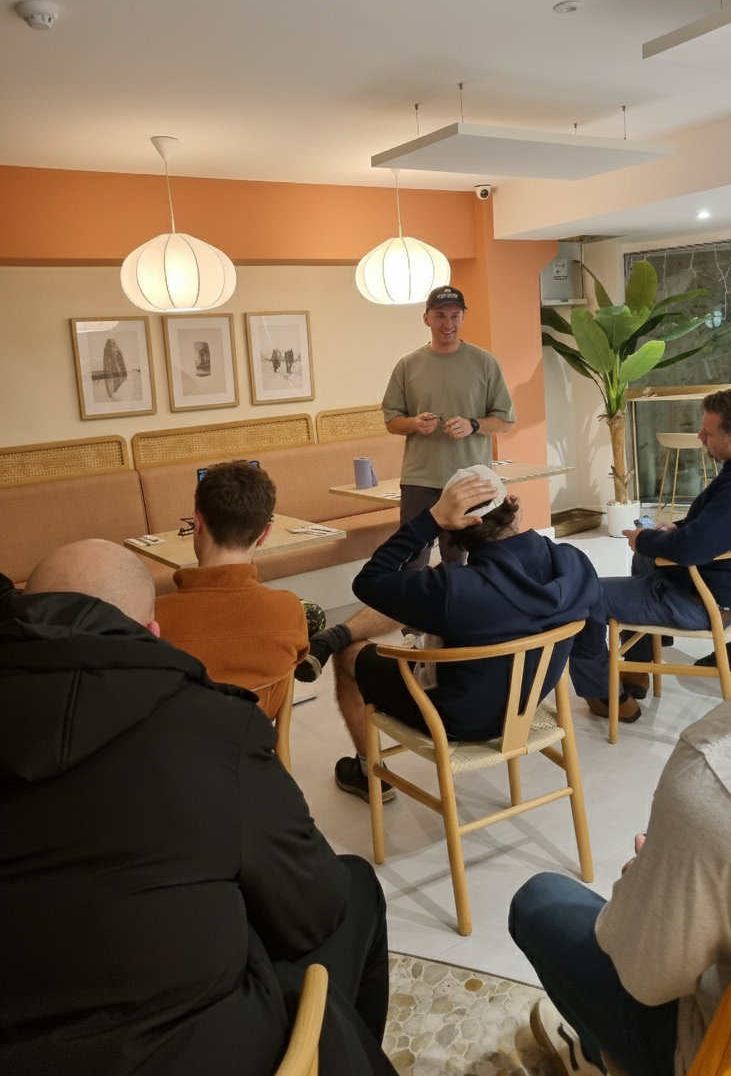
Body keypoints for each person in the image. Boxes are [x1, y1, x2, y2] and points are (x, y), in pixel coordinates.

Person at [509, 391, 731, 1076]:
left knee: (545, 901)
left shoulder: (730, 764)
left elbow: (647, 974)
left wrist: (653, 878)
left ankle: (607, 1055)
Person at [0, 538, 395, 1076]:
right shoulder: (213, 724)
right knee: (354, 885)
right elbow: (313, 910)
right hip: (202, 1050)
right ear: (155, 632)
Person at [327, 466, 600, 801]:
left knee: (349, 655)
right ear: (512, 504)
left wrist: (429, 520)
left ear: (453, 531)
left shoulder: (454, 589)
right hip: (527, 707)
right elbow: (590, 637)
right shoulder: (574, 562)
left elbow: (368, 581)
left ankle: (368, 771)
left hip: (456, 719)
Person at [569, 386, 731, 724]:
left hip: (700, 601)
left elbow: (690, 549)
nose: (700, 436)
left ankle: (604, 694)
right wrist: (677, 528)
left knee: (583, 596)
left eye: (708, 433)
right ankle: (639, 666)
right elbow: (719, 522)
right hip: (728, 588)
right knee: (644, 560)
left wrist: (646, 540)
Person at [155, 459, 309, 719]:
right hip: (251, 747)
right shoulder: (288, 609)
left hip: (174, 751)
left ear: (197, 522)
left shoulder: (153, 618)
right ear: (264, 534)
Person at [382, 284, 515, 568]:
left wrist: (473, 424)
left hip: (470, 480)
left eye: (454, 315)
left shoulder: (485, 363)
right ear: (426, 318)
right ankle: (413, 612)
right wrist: (414, 423)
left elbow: (504, 419)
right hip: (419, 480)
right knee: (412, 559)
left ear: (464, 316)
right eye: (440, 316)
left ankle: (458, 611)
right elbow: (392, 421)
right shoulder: (408, 365)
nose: (448, 324)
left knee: (460, 559)